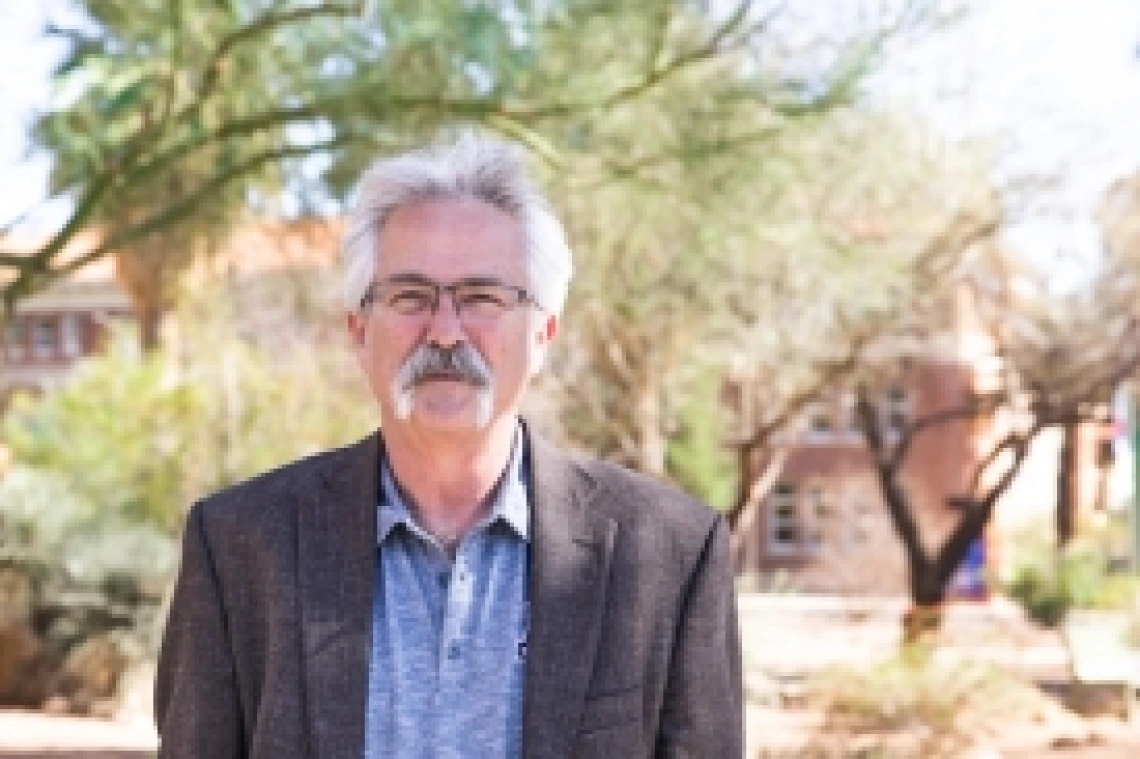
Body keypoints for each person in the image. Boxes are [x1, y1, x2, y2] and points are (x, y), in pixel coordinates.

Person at [154, 131, 742, 758]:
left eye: (482, 297)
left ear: (542, 333)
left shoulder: (669, 555)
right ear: (359, 331)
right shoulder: (241, 545)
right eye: (410, 297)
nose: (443, 331)